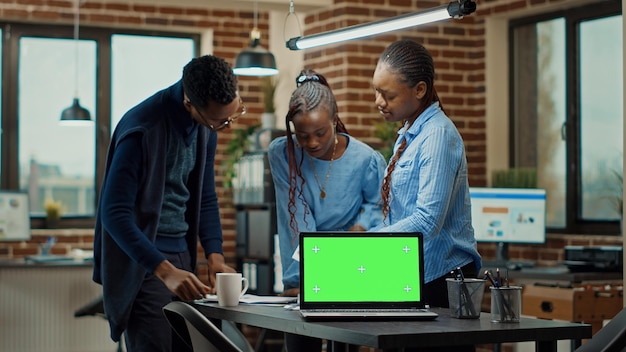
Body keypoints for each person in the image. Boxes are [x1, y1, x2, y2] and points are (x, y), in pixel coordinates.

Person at [92, 55, 241, 352]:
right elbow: (114, 213)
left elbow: (206, 196)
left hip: (182, 256)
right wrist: (164, 270)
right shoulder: (141, 129)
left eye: (232, 116)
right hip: (144, 263)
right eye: (219, 121)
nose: (225, 127)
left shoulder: (204, 127)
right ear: (189, 104)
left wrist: (214, 254)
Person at [372, 40, 482, 351]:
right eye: (376, 91)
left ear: (419, 90)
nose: (378, 101)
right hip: (413, 274)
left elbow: (427, 220)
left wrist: (366, 245)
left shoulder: (437, 135)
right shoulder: (410, 133)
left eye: (388, 94)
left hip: (441, 282)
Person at [268, 69, 387, 352]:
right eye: (302, 135)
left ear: (334, 120)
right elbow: (295, 218)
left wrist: (361, 228)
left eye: (320, 133)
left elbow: (378, 207)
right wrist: (300, 279)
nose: (312, 143)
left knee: (347, 345)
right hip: (304, 269)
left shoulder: (367, 160)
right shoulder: (283, 154)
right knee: (300, 344)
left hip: (354, 267)